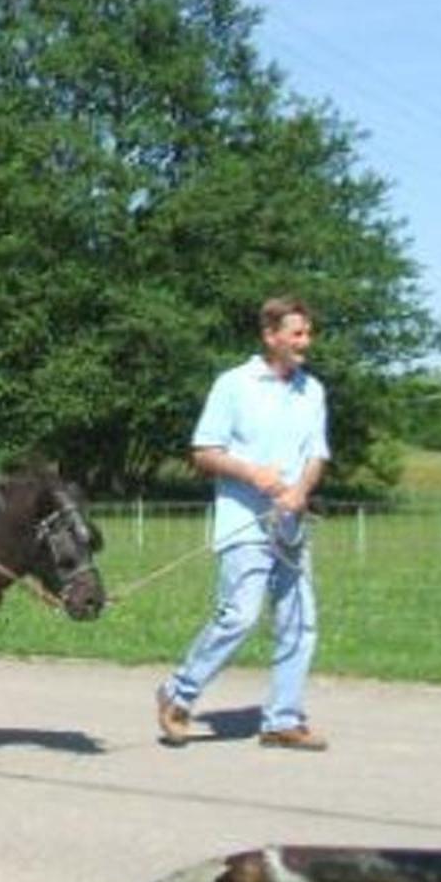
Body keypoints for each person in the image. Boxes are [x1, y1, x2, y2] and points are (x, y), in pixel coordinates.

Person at [156, 295, 330, 751]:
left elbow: (316, 454)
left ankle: (282, 719)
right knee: (240, 616)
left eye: (308, 333)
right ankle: (178, 693)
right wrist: (254, 473)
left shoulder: (312, 390)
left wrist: (300, 491)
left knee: (299, 623)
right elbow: (204, 452)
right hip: (244, 525)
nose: (305, 342)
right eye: (297, 334)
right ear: (270, 336)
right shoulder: (233, 384)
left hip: (291, 524)